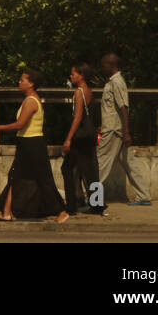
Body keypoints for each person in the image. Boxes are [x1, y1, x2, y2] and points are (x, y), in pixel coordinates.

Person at [0, 68, 69, 222]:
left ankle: (62, 212)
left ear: (31, 84)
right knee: (15, 176)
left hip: (33, 144)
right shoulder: (29, 99)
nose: (19, 82)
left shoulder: (31, 102)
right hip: (26, 143)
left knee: (44, 179)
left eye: (22, 80)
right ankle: (7, 212)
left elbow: (19, 124)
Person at [98, 53, 152, 206]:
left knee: (101, 162)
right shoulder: (113, 82)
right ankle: (144, 196)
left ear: (111, 65)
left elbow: (124, 108)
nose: (103, 68)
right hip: (114, 128)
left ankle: (93, 196)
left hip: (114, 131)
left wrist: (126, 132)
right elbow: (113, 109)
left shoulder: (117, 82)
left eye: (104, 65)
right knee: (129, 163)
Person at [62, 63, 104, 215]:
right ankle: (97, 204)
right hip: (89, 136)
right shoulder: (88, 91)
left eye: (74, 74)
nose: (71, 76)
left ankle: (72, 206)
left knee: (67, 168)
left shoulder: (79, 92)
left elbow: (78, 117)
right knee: (90, 171)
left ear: (82, 75)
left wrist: (68, 138)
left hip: (80, 137)